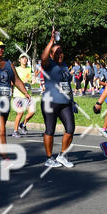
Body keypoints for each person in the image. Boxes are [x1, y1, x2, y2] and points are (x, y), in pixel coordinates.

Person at [40, 30, 76, 168]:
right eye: (56, 52)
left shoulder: (65, 65)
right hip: (50, 102)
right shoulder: (48, 64)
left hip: (65, 103)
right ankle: (49, 158)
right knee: (50, 130)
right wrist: (51, 41)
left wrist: (72, 100)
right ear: (51, 54)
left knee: (70, 128)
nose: (59, 54)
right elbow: (43, 57)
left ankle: (62, 156)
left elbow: (67, 85)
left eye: (61, 52)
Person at [12, 54, 35, 137]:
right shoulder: (17, 69)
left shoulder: (29, 69)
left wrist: (31, 81)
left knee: (32, 112)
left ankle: (23, 124)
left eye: (26, 58)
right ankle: (15, 131)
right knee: (20, 112)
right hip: (18, 95)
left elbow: (30, 80)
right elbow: (13, 81)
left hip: (28, 95)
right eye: (22, 58)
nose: (24, 59)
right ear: (19, 60)